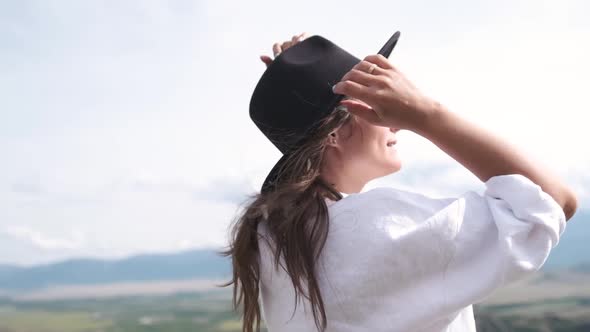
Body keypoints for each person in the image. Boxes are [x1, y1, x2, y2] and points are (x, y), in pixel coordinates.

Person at [218, 31, 579, 332]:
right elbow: (552, 202)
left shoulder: (272, 240)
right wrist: (424, 114)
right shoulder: (380, 225)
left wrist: (291, 83)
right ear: (333, 133)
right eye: (378, 104)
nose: (393, 121)